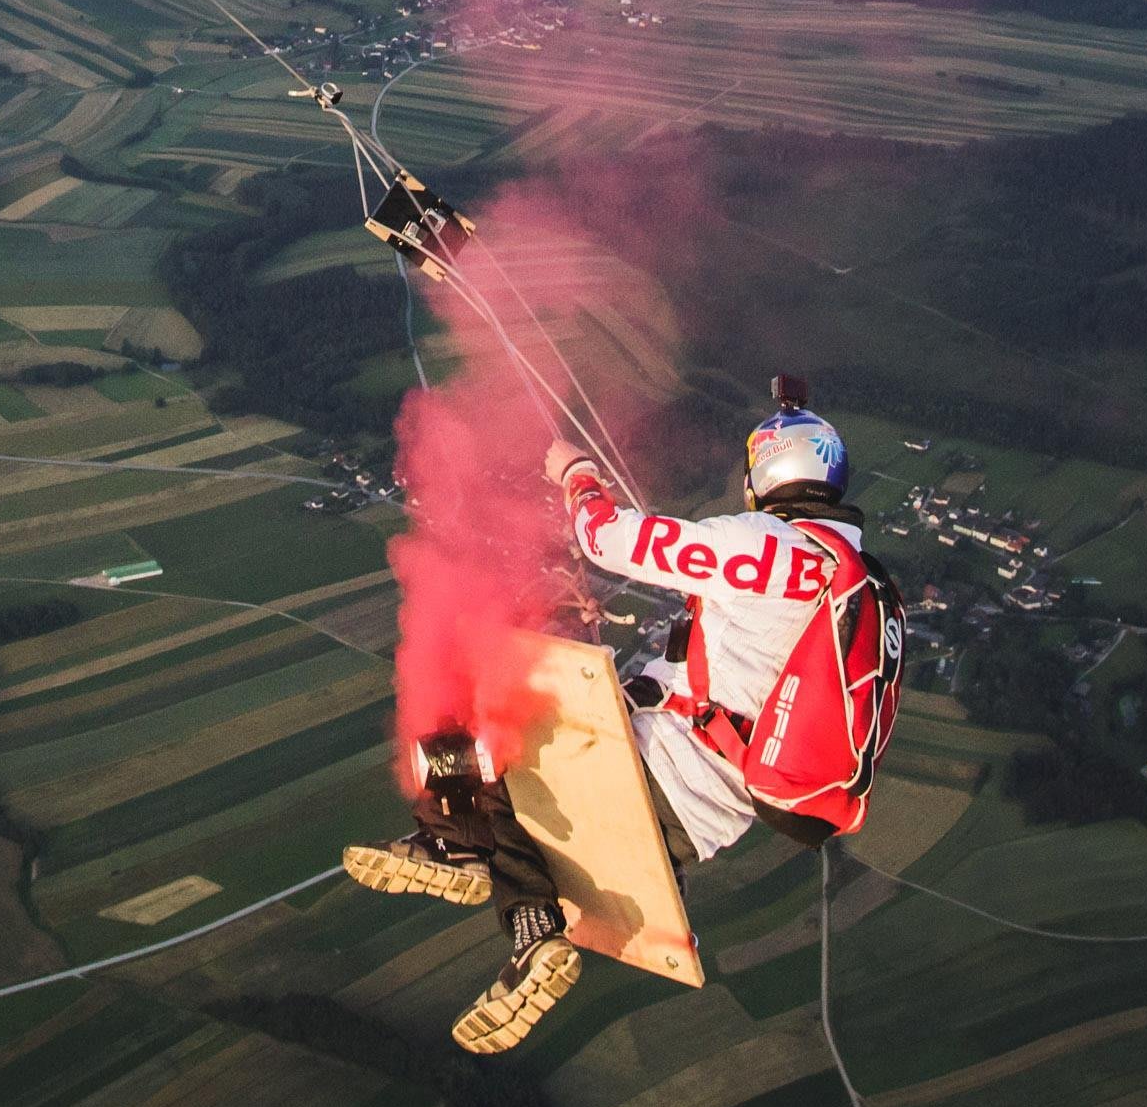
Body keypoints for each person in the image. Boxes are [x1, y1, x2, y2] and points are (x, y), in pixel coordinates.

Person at [345, 386, 906, 1054]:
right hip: (704, 823)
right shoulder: (873, 591)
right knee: (526, 787)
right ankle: (513, 912)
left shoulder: (767, 547)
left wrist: (577, 473)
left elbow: (606, 536)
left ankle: (462, 848)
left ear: (764, 475)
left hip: (653, 773)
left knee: (476, 723)